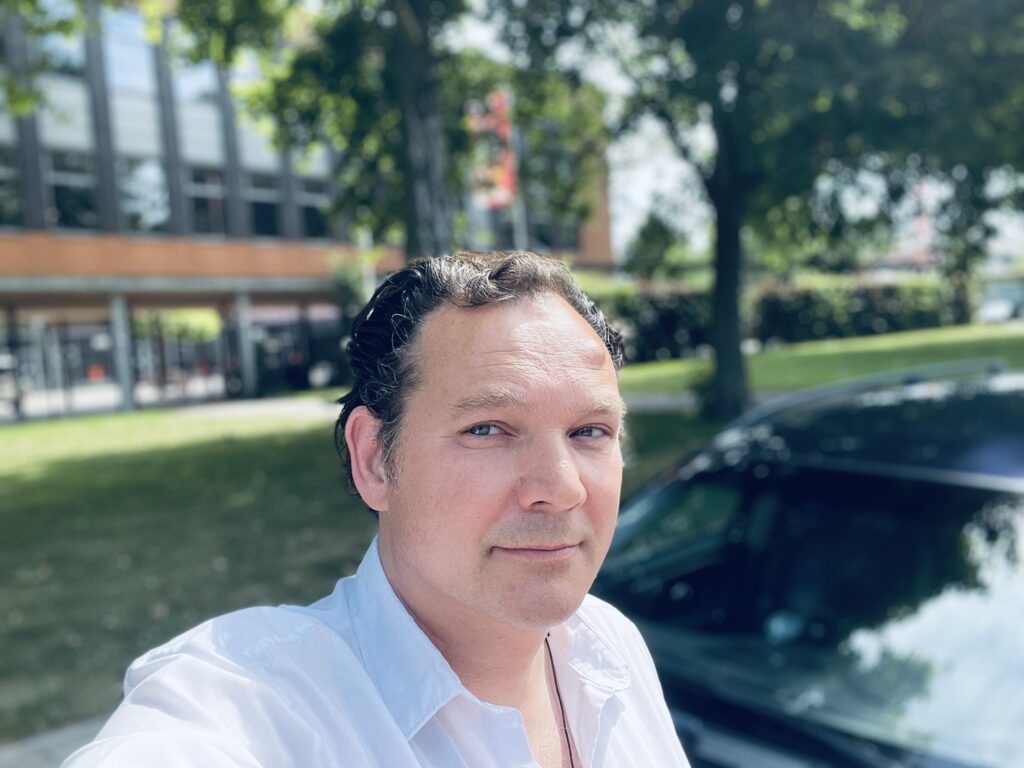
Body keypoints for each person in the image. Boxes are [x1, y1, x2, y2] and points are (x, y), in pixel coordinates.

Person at [64, 251, 690, 768]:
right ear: (374, 461)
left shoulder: (608, 648)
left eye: (590, 432)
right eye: (487, 429)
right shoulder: (256, 704)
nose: (561, 487)